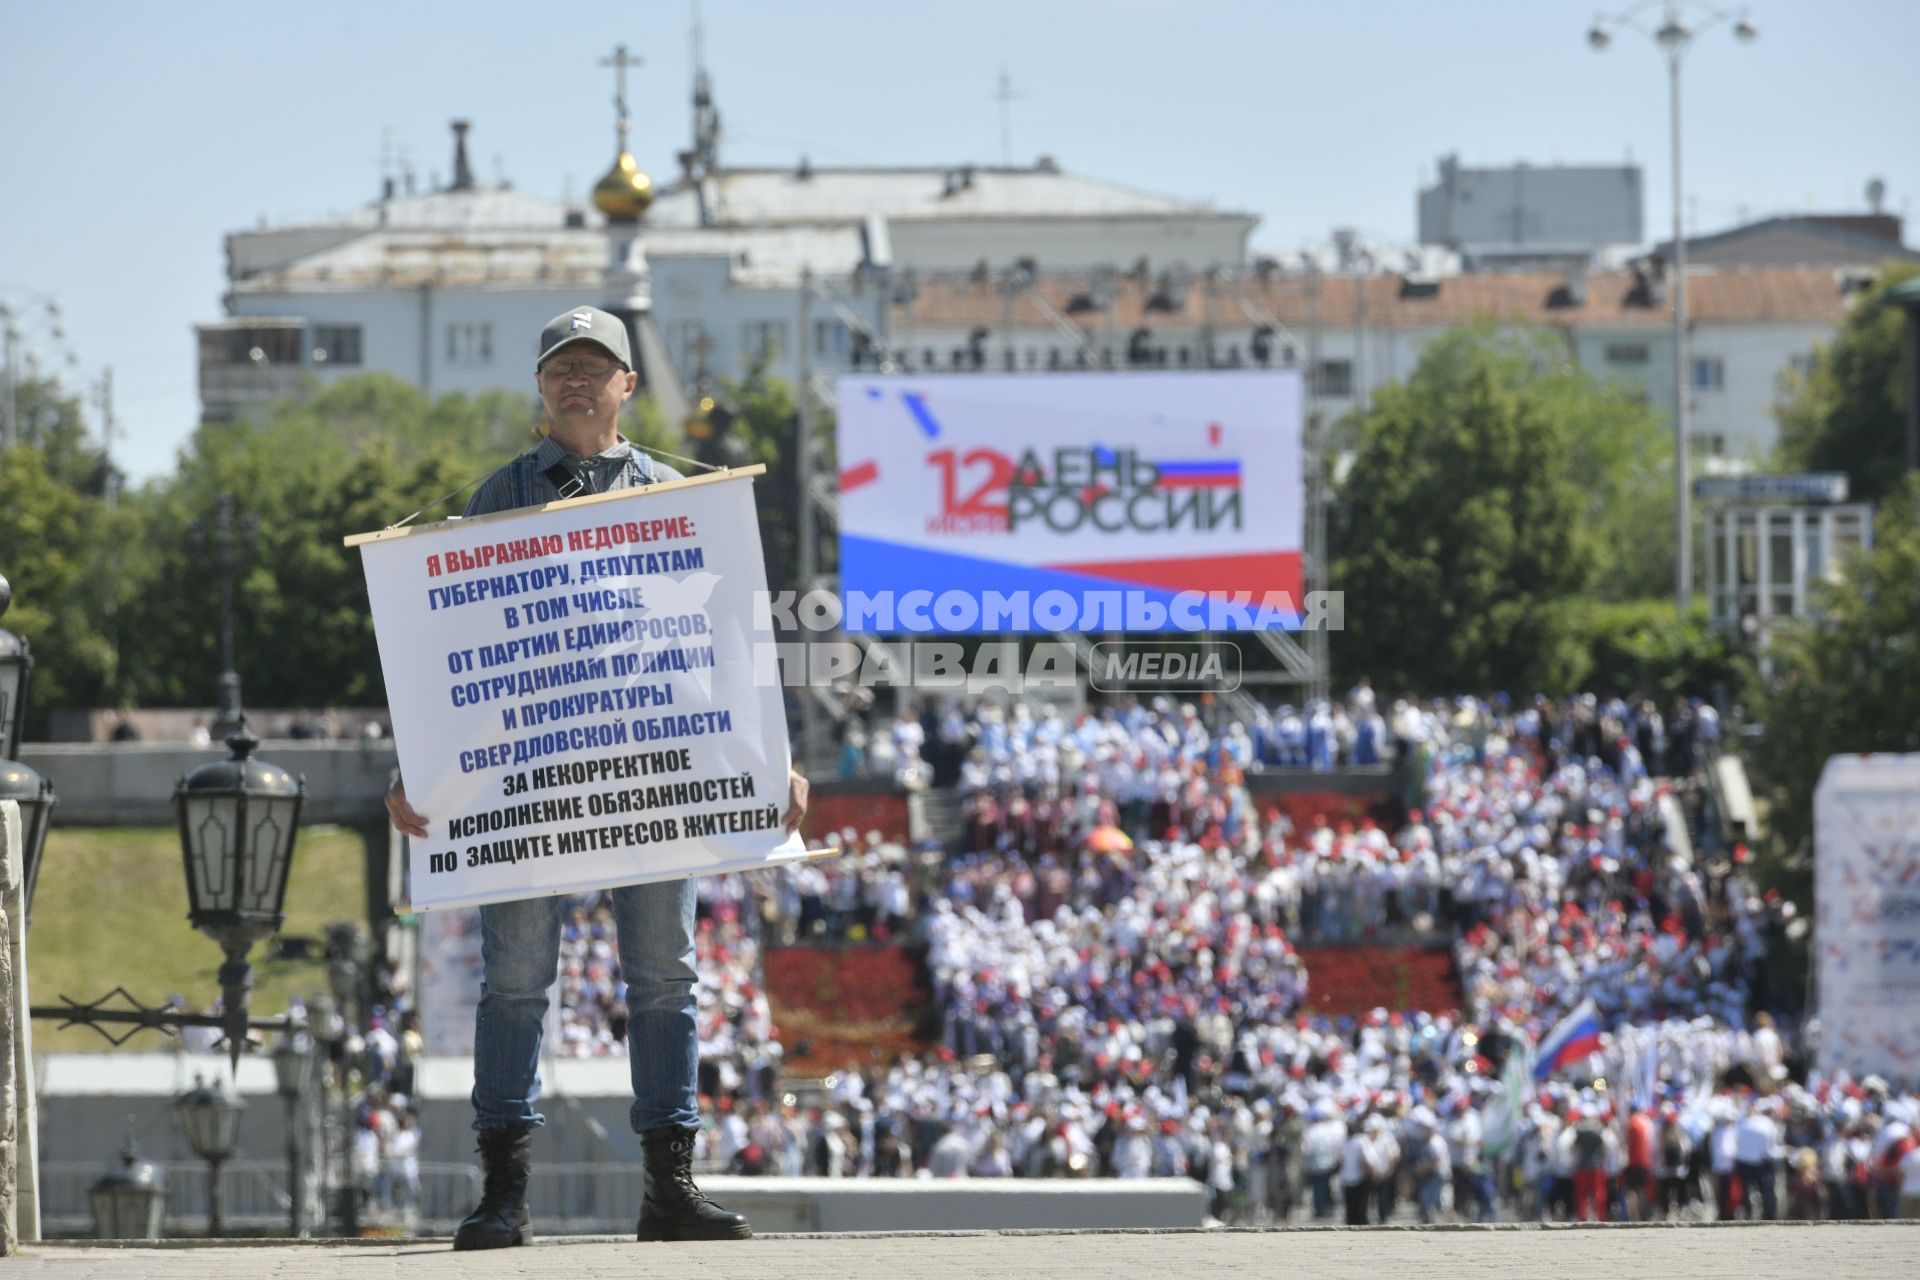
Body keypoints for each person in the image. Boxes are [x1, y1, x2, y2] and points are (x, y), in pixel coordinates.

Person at [385, 305, 810, 1251]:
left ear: (628, 384)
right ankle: (505, 1194)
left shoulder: (682, 495)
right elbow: (443, 647)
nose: (576, 380)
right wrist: (411, 766)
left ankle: (671, 1186)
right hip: (529, 775)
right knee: (516, 982)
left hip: (654, 769)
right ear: (540, 388)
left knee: (665, 975)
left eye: (595, 366)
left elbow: (733, 634)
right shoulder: (496, 499)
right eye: (559, 367)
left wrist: (776, 758)